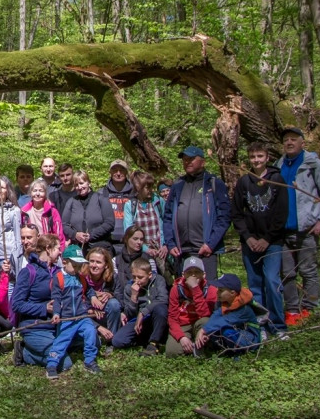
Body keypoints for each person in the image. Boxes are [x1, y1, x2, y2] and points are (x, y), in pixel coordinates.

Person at [276, 127, 320, 326]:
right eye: (286, 139)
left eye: (293, 139)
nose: (289, 142)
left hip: (307, 228)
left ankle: (310, 308)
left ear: (302, 143)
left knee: (308, 271)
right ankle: (293, 310)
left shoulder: (312, 164)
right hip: (283, 230)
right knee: (287, 273)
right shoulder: (278, 166)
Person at [233, 142, 289, 335]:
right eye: (253, 157)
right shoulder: (244, 182)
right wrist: (247, 237)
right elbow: (237, 213)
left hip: (272, 241)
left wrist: (267, 238)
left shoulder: (277, 179)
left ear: (267, 158)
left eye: (260, 156)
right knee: (255, 283)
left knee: (272, 281)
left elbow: (282, 213)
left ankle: (278, 325)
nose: (256, 160)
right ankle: (261, 325)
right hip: (250, 242)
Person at [163, 146, 231, 281]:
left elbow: (224, 217)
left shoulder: (213, 184)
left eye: (192, 159)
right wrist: (171, 244)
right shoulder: (178, 185)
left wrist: (211, 244)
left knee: (208, 292)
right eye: (185, 159)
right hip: (182, 251)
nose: (187, 162)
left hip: (205, 250)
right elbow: (168, 216)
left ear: (203, 162)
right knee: (184, 293)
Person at [46, 245, 101, 378]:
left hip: (82, 317)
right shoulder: (58, 278)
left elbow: (88, 290)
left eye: (79, 266)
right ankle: (52, 364)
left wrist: (93, 297)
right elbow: (56, 299)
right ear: (64, 262)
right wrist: (57, 313)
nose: (77, 269)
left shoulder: (80, 278)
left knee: (91, 332)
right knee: (62, 340)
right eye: (75, 266)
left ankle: (90, 360)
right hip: (67, 318)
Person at [10, 234, 64, 367]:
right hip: (34, 326)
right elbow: (16, 304)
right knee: (63, 362)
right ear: (48, 248)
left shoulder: (58, 272)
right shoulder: (28, 272)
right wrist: (44, 308)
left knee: (89, 342)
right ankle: (24, 351)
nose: (60, 252)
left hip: (56, 325)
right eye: (58, 248)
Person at [111, 257, 168, 356]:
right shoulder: (130, 288)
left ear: (149, 275)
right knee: (117, 341)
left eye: (140, 277)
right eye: (134, 277)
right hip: (138, 322)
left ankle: (153, 344)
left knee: (161, 308)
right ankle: (146, 340)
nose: (137, 280)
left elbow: (163, 299)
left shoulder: (158, 280)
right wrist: (133, 297)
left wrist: (143, 312)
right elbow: (129, 314)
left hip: (156, 317)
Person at [198, 274, 262, 356]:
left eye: (221, 290)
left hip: (250, 339)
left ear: (232, 293)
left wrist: (204, 330)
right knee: (214, 332)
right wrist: (206, 332)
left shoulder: (244, 309)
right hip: (237, 331)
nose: (217, 292)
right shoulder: (224, 302)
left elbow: (225, 320)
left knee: (227, 331)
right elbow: (215, 316)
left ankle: (238, 352)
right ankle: (225, 349)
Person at [165, 257, 217, 357]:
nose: (193, 275)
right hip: (183, 324)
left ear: (204, 275)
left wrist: (195, 289)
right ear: (183, 275)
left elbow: (205, 315)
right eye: (189, 272)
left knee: (206, 321)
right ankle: (190, 343)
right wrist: (181, 337)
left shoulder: (210, 289)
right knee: (172, 352)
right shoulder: (176, 289)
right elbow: (172, 318)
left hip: (200, 323)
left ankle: (199, 344)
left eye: (197, 272)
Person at [123, 170, 169, 280]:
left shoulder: (158, 201)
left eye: (151, 187)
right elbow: (128, 231)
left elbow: (167, 223)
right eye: (147, 187)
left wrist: (165, 245)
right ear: (139, 188)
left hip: (161, 252)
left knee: (164, 282)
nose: (150, 190)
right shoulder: (130, 205)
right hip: (141, 253)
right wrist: (145, 249)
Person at [63, 169, 114, 254]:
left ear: (89, 183)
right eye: (76, 185)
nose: (79, 187)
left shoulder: (101, 199)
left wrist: (91, 235)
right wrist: (75, 235)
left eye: (82, 183)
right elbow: (64, 224)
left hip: (100, 246)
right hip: (78, 248)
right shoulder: (71, 202)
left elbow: (110, 223)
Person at [82, 246, 121, 348]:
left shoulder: (113, 278)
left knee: (114, 304)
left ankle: (111, 340)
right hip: (87, 315)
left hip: (105, 315)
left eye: (98, 262)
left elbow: (121, 298)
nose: (94, 265)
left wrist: (111, 295)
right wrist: (91, 307)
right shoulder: (82, 278)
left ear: (106, 265)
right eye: (91, 261)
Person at [21, 180, 68, 250]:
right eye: (35, 191)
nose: (37, 194)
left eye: (41, 191)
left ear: (45, 193)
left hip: (48, 248)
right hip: (30, 248)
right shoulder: (25, 212)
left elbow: (59, 235)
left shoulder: (52, 211)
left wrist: (60, 251)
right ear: (31, 193)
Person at [100, 159, 135, 249]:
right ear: (110, 172)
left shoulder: (135, 193)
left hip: (131, 241)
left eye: (121, 170)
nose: (118, 173)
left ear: (126, 172)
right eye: (115, 170)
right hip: (108, 241)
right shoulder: (102, 193)